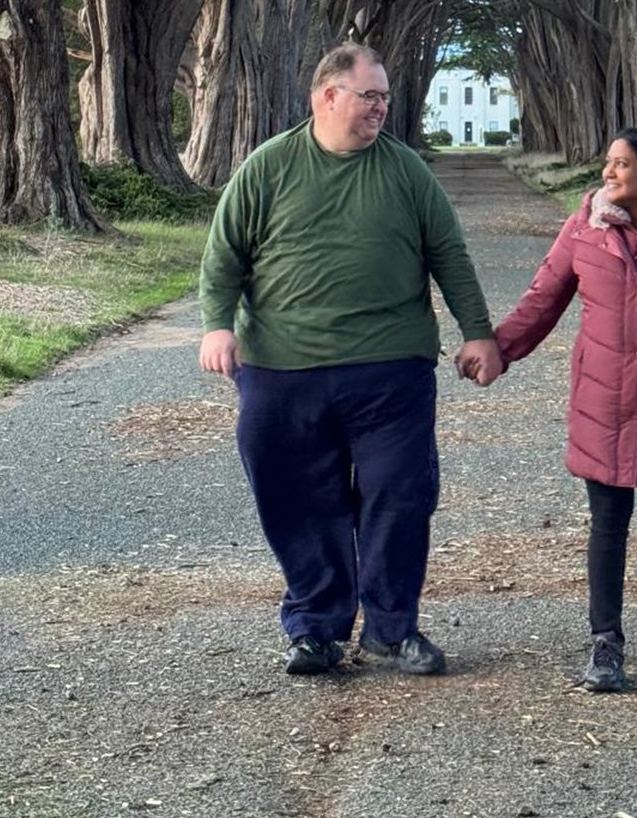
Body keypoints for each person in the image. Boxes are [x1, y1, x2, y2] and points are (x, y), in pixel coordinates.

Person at [198, 42, 498, 678]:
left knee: (400, 493)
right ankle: (315, 629)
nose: (381, 108)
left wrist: (478, 333)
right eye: (370, 96)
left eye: (386, 98)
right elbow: (224, 256)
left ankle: (391, 630)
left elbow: (450, 255)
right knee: (299, 500)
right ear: (327, 96)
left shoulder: (406, 171)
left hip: (391, 369)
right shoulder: (268, 167)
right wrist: (216, 327)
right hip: (281, 369)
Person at [458, 129, 637, 693]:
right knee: (607, 522)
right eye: (608, 164)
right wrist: (500, 351)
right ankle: (605, 642)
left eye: (620, 165)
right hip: (603, 402)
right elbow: (542, 300)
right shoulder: (585, 225)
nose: (608, 174)